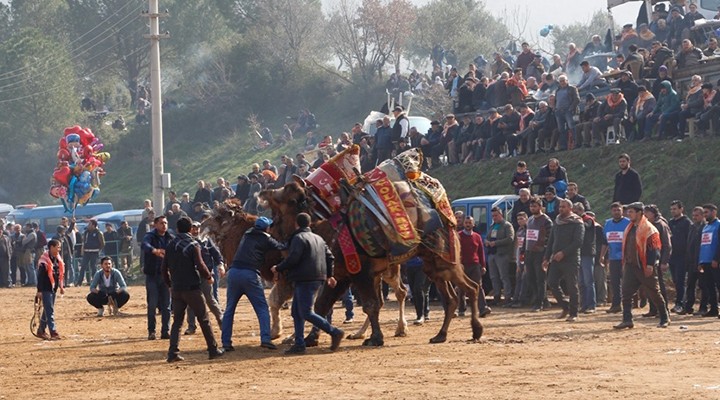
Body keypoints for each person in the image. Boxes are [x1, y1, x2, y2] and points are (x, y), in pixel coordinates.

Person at [271, 213, 344, 355]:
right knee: (296, 312)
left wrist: (278, 267)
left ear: (296, 224)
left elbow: (293, 258)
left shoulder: (298, 238)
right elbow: (330, 257)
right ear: (309, 224)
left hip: (304, 279)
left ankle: (334, 332)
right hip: (317, 278)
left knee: (306, 312)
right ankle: (299, 344)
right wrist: (329, 275)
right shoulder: (319, 238)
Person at [162, 217, 224, 362]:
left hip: (177, 289)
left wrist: (169, 285)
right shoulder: (193, 244)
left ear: (177, 229)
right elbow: (201, 265)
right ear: (190, 229)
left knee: (177, 321)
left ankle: (173, 353)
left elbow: (163, 268)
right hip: (192, 288)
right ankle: (213, 349)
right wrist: (208, 277)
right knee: (204, 319)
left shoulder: (170, 245)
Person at [220, 215, 285, 350]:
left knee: (229, 310)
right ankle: (266, 339)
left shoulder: (247, 235)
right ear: (266, 228)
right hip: (249, 274)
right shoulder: (266, 238)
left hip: (233, 273)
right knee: (261, 308)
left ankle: (226, 343)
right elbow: (281, 247)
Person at [613, 202, 670, 329]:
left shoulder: (649, 228)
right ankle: (627, 319)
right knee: (626, 293)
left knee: (654, 292)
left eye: (631, 212)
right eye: (628, 212)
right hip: (631, 264)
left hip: (644, 265)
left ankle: (664, 317)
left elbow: (654, 249)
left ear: (639, 212)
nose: (628, 214)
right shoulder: (630, 227)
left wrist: (650, 265)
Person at [543, 198, 584, 322]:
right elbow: (551, 241)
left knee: (572, 286)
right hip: (556, 258)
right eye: (560, 207)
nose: (561, 209)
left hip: (570, 259)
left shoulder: (577, 222)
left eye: (564, 207)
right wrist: (546, 257)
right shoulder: (557, 221)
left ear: (570, 209)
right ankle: (565, 306)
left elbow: (578, 242)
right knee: (552, 282)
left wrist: (564, 253)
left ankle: (574, 313)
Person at [186, 221, 225, 335]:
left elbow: (216, 254)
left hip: (205, 274)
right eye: (193, 228)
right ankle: (191, 326)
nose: (195, 230)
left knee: (210, 299)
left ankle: (221, 321)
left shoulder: (206, 240)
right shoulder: (188, 241)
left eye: (197, 228)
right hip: (191, 275)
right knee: (191, 301)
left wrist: (221, 265)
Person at [142, 215, 173, 341]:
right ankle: (152, 331)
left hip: (166, 276)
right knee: (152, 305)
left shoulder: (170, 237)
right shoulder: (150, 236)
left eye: (165, 223)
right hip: (152, 276)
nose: (164, 225)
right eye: (161, 223)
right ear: (155, 225)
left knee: (167, 306)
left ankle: (165, 331)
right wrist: (154, 250)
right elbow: (144, 245)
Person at [458, 217, 492, 317]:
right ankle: (461, 309)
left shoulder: (477, 236)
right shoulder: (459, 235)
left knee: (478, 286)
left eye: (470, 223)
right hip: (462, 265)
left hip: (475, 265)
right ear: (464, 224)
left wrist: (483, 265)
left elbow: (481, 252)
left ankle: (482, 308)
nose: (468, 224)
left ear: (473, 224)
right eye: (466, 223)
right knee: (461, 288)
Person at [525, 196, 553, 312]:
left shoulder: (546, 221)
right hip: (529, 252)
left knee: (540, 279)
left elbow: (550, 238)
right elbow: (527, 236)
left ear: (540, 207)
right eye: (531, 206)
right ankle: (543, 300)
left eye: (535, 206)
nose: (532, 208)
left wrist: (546, 254)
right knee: (530, 278)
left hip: (540, 253)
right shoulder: (530, 219)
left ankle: (539, 303)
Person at [603, 202, 631, 313]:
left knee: (627, 282)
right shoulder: (607, 224)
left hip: (626, 258)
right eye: (614, 210)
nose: (616, 212)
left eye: (618, 210)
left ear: (622, 211)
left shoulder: (628, 223)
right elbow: (605, 242)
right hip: (613, 257)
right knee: (615, 282)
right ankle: (616, 305)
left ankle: (629, 304)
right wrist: (602, 256)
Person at [35, 239, 65, 340]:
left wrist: (60, 286)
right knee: (49, 310)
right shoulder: (43, 261)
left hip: (53, 288)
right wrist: (39, 290)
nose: (59, 249)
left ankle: (41, 330)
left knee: (48, 310)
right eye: (58, 247)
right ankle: (53, 332)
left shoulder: (57, 259)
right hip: (45, 289)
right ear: (51, 247)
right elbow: (40, 277)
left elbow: (59, 274)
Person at [485, 207, 515, 306]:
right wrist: (487, 242)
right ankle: (496, 297)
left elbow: (510, 239)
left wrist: (496, 243)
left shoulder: (507, 225)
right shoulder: (492, 226)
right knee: (494, 277)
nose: (494, 218)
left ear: (501, 215)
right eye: (493, 216)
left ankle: (507, 297)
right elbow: (488, 237)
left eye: (496, 215)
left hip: (502, 254)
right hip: (492, 254)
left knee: (504, 277)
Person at [668, 200, 691, 314]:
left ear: (681, 209)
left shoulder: (687, 222)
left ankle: (680, 304)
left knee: (681, 280)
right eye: (671, 209)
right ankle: (678, 302)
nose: (673, 211)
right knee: (675, 281)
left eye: (675, 209)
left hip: (682, 256)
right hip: (672, 256)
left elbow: (689, 240)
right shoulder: (670, 223)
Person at [683, 206, 707, 315]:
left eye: (697, 215)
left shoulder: (706, 227)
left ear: (702, 216)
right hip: (691, 261)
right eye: (693, 215)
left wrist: (701, 261)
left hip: (701, 261)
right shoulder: (692, 227)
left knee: (703, 285)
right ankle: (688, 307)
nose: (694, 217)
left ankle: (703, 307)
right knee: (690, 285)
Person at [574, 202, 596, 314]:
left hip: (587, 252)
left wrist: (577, 221)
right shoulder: (576, 221)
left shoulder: (588, 219)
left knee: (588, 281)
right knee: (581, 281)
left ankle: (591, 305)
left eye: (576, 211)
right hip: (578, 253)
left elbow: (587, 227)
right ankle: (583, 304)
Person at [699, 204, 720, 318]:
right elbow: (703, 245)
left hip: (715, 261)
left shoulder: (718, 225)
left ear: (714, 212)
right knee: (709, 286)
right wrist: (700, 261)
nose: (705, 215)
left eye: (706, 212)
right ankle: (713, 309)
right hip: (705, 261)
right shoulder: (705, 227)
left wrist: (716, 259)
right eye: (704, 212)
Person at [77, 220, 104, 286]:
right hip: (86, 252)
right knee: (83, 267)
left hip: (94, 252)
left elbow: (102, 243)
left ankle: (95, 282)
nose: (88, 225)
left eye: (89, 224)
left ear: (93, 225)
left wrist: (98, 249)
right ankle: (79, 282)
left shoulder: (98, 233)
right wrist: (83, 250)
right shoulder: (86, 232)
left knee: (93, 267)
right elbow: (84, 242)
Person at [405, 256, 431, 324]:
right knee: (414, 291)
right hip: (409, 266)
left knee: (418, 288)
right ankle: (424, 313)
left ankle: (421, 315)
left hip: (422, 265)